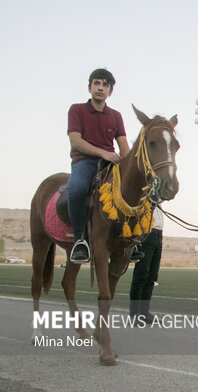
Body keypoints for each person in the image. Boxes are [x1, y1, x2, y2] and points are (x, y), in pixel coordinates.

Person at [67, 68, 131, 263]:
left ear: (110, 92)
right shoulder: (76, 110)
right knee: (76, 190)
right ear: (89, 87)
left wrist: (132, 167)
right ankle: (79, 241)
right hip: (84, 162)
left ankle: (131, 239)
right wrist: (103, 153)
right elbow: (75, 142)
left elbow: (124, 147)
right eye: (97, 83)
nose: (100, 88)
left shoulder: (116, 116)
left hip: (110, 164)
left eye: (105, 85)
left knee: (138, 190)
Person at [129, 204, 164, 324]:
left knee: (152, 276)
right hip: (147, 233)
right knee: (141, 274)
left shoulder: (157, 194)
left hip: (158, 234)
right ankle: (134, 314)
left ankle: (144, 313)